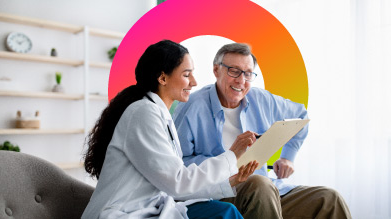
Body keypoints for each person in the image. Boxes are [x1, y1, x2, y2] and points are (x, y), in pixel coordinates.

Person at [81, 40, 259, 219]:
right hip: (123, 213)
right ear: (163, 78)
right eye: (187, 75)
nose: (194, 82)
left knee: (225, 211)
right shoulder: (143, 113)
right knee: (225, 214)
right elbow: (178, 182)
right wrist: (232, 155)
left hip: (150, 207)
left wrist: (229, 183)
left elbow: (174, 186)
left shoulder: (160, 114)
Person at [173, 43, 352, 219]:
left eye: (248, 74)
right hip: (220, 191)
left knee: (329, 200)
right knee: (260, 185)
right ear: (216, 70)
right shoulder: (191, 107)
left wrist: (288, 157)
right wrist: (229, 162)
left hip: (267, 191)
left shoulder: (261, 99)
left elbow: (300, 116)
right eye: (234, 71)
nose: (241, 81)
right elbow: (179, 166)